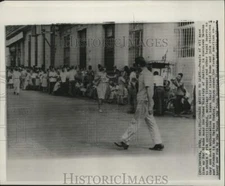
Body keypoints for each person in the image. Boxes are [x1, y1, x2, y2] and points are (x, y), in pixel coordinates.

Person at [114, 57, 164, 151]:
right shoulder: (144, 74)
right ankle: (158, 143)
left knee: (135, 121)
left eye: (135, 65)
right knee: (151, 123)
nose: (135, 67)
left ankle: (125, 140)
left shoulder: (146, 74)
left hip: (144, 102)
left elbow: (149, 91)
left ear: (138, 65)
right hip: (144, 101)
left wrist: (150, 105)